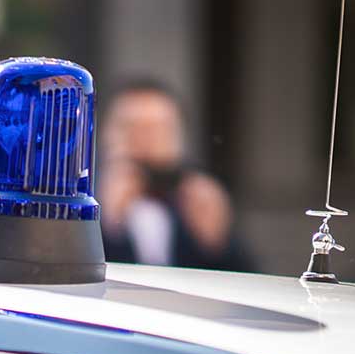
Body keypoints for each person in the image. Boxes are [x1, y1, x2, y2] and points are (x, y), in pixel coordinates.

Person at [97, 77, 252, 272]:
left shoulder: (196, 200)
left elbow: (241, 276)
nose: (144, 140)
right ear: (104, 132)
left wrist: (217, 242)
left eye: (158, 129)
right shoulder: (79, 198)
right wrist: (107, 225)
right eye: (131, 128)